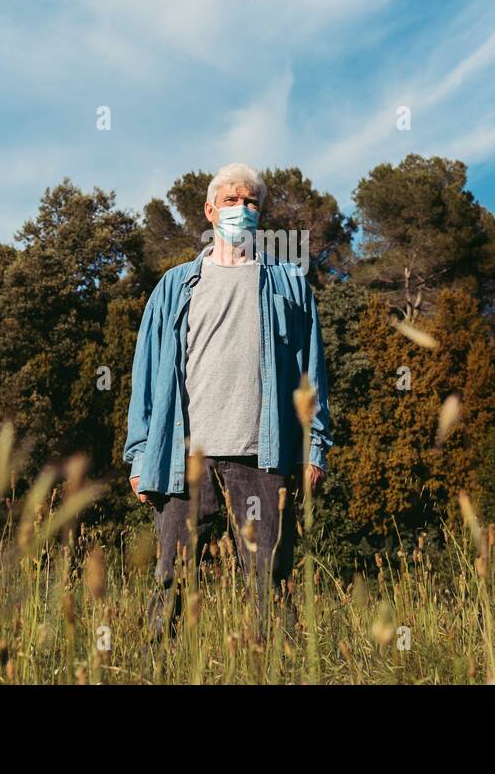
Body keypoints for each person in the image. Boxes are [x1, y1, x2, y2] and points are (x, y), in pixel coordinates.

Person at [123, 163, 331, 638]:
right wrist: (138, 455)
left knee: (270, 582)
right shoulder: (174, 287)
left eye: (252, 202)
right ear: (210, 210)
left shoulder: (290, 286)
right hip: (183, 459)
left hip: (263, 457)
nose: (242, 210)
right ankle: (158, 665)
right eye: (232, 201)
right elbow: (147, 376)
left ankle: (272, 665)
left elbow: (311, 374)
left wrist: (314, 448)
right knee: (170, 580)